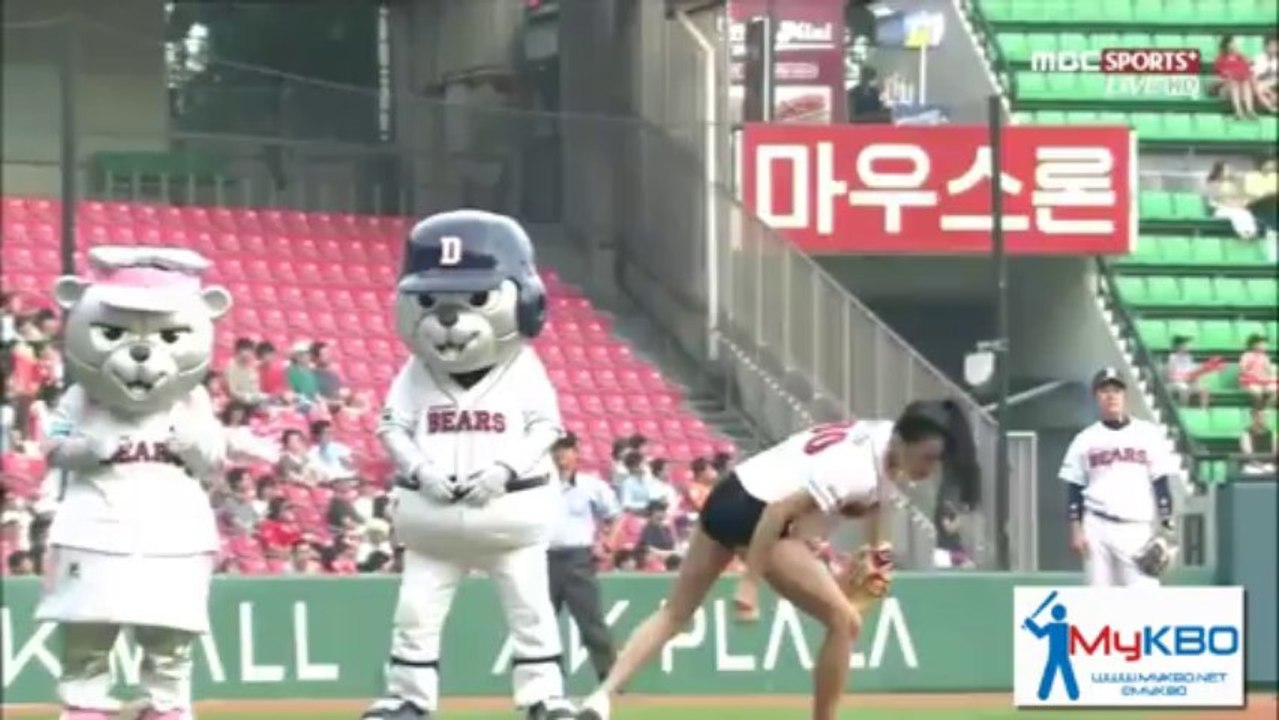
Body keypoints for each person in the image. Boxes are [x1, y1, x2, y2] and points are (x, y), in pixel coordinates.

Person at [575, 399, 981, 720]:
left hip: (729, 492)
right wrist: (750, 583)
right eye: (928, 457)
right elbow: (777, 514)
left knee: (675, 613)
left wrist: (876, 552)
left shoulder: (879, 437)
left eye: (936, 461)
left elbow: (880, 500)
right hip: (759, 512)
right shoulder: (856, 468)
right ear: (904, 442)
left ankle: (599, 700)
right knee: (844, 622)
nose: (930, 469)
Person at [1060, 368, 1180, 588]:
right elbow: (1074, 488)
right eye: (1105, 391)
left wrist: (1166, 524)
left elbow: (1161, 482)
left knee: (1143, 599)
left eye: (1116, 390)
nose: (1111, 396)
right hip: (1096, 524)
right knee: (1100, 599)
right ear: (1096, 397)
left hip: (1137, 528)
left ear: (1125, 395)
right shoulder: (1084, 439)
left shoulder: (1147, 434)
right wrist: (1076, 529)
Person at [546, 433, 619, 682]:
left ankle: (610, 677)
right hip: (545, 558)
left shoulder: (591, 486)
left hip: (578, 558)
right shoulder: (540, 486)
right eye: (557, 450)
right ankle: (548, 678)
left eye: (566, 450)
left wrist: (608, 541)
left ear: (576, 453)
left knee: (592, 623)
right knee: (543, 624)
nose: (561, 456)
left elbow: (615, 515)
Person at [1214, 34, 1268, 118]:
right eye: (1232, 43)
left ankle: (1250, 110)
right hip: (1227, 88)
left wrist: (1241, 55)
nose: (1234, 45)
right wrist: (1230, 76)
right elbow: (1219, 75)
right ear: (1226, 45)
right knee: (1234, 83)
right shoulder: (1221, 58)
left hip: (1241, 86)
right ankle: (1238, 111)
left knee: (1245, 82)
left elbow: (1248, 69)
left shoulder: (1240, 57)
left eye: (1234, 43)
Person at [1205, 162, 1260, 240]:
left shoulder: (1234, 184)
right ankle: (1243, 233)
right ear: (1220, 171)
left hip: (1236, 208)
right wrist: (1230, 205)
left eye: (1230, 169)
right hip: (1221, 211)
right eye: (1227, 169)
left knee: (1246, 213)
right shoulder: (1214, 184)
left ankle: (1251, 233)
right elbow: (1215, 201)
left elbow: (1240, 197)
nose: (1229, 171)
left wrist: (1242, 202)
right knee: (1236, 214)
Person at [1165, 335, 1210, 408]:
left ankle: (1203, 409)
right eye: (1185, 344)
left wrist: (1195, 375)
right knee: (1184, 388)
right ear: (1179, 346)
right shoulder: (1172, 358)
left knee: (1204, 388)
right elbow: (1171, 376)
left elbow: (1192, 370)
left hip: (1189, 381)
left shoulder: (1189, 357)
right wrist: (1183, 378)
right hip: (1176, 383)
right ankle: (1184, 407)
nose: (1187, 346)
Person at [1239, 334, 1277, 408]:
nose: (1265, 346)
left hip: (1264, 381)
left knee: (1274, 390)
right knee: (1257, 392)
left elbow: (1269, 370)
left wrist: (1271, 376)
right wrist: (1253, 376)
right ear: (1254, 345)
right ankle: (1258, 409)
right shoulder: (1246, 356)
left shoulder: (1265, 357)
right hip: (1250, 382)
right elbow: (1242, 370)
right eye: (1262, 344)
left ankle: (1267, 408)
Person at [1239, 406, 1277, 476]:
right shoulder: (1246, 434)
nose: (1262, 419)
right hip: (1252, 465)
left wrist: (1269, 463)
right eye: (1259, 416)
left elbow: (1275, 452)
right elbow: (1248, 453)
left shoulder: (1272, 433)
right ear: (1253, 417)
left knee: (1271, 470)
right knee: (1251, 471)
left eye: (1264, 417)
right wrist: (1258, 464)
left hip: (1269, 465)